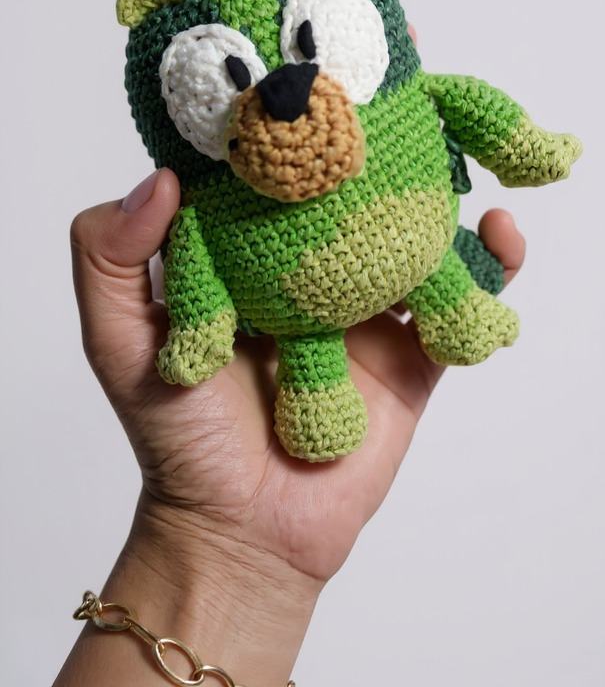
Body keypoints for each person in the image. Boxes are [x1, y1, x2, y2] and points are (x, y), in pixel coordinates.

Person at [54, 79, 526, 685]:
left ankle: (452, 299)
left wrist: (522, 145)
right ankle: (334, 371)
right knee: (311, 347)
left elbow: (460, 102)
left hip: (425, 252)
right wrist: (223, 539)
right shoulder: (205, 198)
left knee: (432, 271)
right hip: (302, 325)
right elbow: (190, 248)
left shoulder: (397, 94)